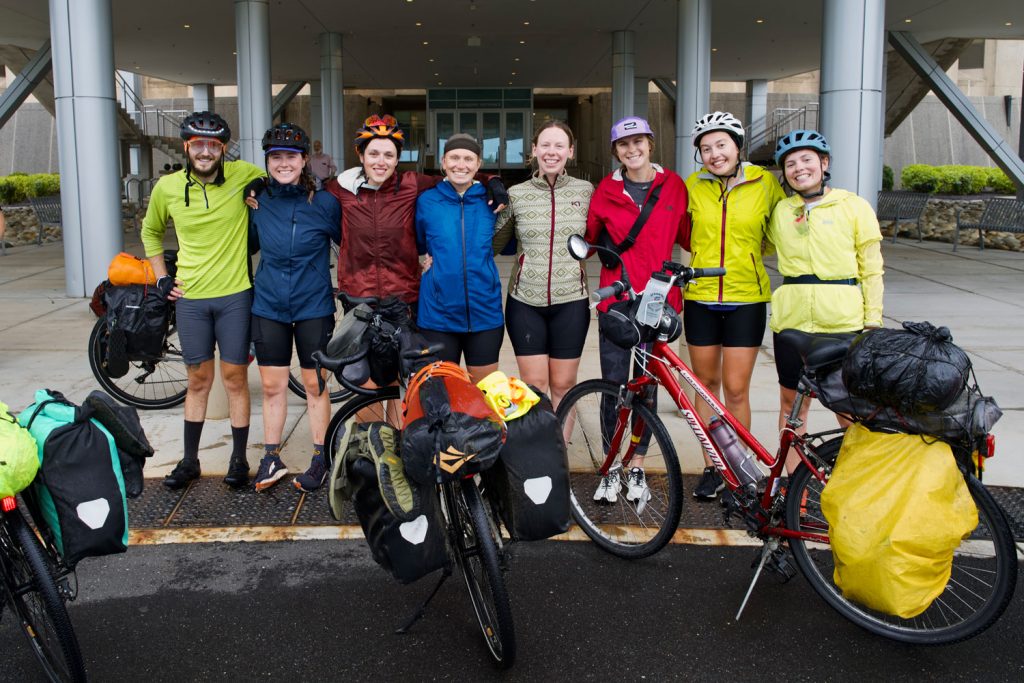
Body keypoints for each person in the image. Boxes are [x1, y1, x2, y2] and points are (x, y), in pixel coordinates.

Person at [141, 111, 265, 490]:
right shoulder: (168, 188)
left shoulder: (244, 174)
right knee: (198, 379)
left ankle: (239, 459)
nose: (206, 152)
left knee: (234, 378)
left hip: (234, 296)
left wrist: (262, 192)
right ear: (187, 147)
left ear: (223, 149)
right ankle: (190, 460)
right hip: (191, 298)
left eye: (213, 145)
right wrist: (162, 277)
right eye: (199, 145)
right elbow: (150, 232)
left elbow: (278, 174)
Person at [584, 116, 690, 504]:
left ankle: (637, 464)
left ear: (650, 144)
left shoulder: (675, 187)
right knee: (614, 386)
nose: (632, 150)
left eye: (639, 142)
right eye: (624, 145)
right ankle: (612, 466)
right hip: (617, 300)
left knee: (647, 389)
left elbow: (689, 234)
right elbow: (590, 237)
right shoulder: (605, 191)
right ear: (615, 151)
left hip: (658, 303)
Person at [684, 112, 785, 500]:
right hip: (701, 298)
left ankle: (739, 467)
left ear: (737, 146)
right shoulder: (693, 185)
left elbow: (777, 234)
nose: (714, 154)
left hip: (747, 298)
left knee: (736, 389)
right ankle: (713, 465)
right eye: (706, 148)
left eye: (721, 145)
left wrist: (748, 257)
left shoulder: (765, 184)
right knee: (705, 386)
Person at [767, 129, 884, 462]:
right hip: (791, 323)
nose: (799, 168)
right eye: (790, 163)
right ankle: (793, 485)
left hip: (841, 321)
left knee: (846, 407)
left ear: (824, 163)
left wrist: (872, 319)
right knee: (791, 405)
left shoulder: (853, 206)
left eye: (807, 160)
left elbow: (872, 268)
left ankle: (853, 478)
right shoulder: (781, 211)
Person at [323, 115, 507, 313]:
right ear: (361, 156)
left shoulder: (411, 184)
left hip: (404, 296)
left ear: (397, 159)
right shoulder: (340, 188)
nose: (381, 162)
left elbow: (457, 176)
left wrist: (491, 180)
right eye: (373, 154)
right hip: (357, 295)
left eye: (389, 155)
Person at [247, 123, 341, 493]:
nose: (283, 163)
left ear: (304, 161)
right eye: (276, 157)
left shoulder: (326, 202)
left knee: (315, 384)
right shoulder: (257, 201)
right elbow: (249, 244)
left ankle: (321, 455)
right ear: (268, 162)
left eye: (291, 156)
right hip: (269, 304)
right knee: (272, 386)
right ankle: (271, 456)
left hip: (313, 305)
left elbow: (349, 243)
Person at [492, 121, 593, 409]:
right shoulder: (517, 194)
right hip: (525, 302)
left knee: (564, 386)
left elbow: (600, 237)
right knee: (534, 388)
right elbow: (492, 244)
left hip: (572, 301)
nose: (552, 152)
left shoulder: (586, 191)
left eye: (559, 145)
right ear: (534, 150)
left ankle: (560, 454)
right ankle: (538, 454)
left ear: (570, 152)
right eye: (545, 145)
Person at [416, 133, 504, 383]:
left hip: (485, 313)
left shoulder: (492, 203)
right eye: (454, 157)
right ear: (443, 162)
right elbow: (416, 242)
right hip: (437, 316)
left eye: (468, 159)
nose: (461, 165)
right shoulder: (426, 201)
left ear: (478, 165)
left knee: (485, 395)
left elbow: (506, 242)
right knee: (443, 396)